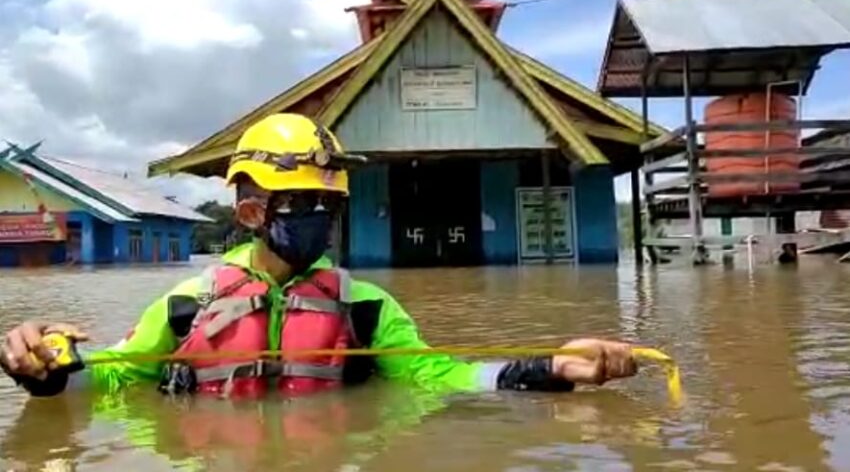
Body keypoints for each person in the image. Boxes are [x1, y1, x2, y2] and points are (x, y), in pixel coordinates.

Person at [0, 113, 637, 399]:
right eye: (301, 202)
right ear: (252, 212)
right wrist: (49, 370)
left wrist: (547, 368)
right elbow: (111, 379)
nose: (319, 218)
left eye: (327, 205)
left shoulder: (363, 307)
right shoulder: (187, 305)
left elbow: (438, 379)